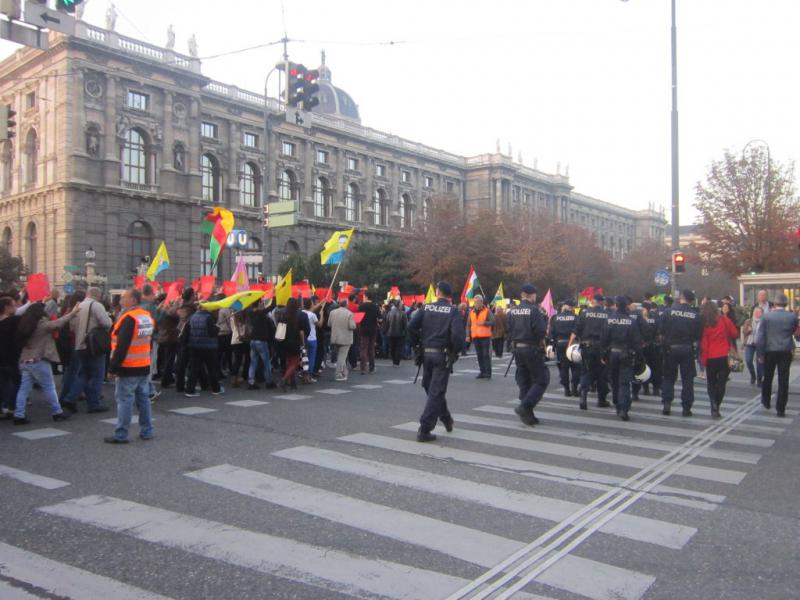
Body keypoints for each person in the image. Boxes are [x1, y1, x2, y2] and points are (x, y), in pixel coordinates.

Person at [408, 281, 465, 442]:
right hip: (443, 355)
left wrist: (417, 344)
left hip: (426, 354)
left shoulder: (426, 307)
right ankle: (424, 428)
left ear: (438, 292)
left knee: (431, 388)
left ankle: (446, 418)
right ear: (449, 295)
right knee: (436, 391)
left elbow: (411, 327)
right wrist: (455, 350)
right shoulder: (453, 311)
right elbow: (458, 336)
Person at [13, 302, 79, 425]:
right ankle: (57, 412)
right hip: (39, 360)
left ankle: (19, 414)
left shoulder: (25, 325)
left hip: (25, 360)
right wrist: (73, 313)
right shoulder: (41, 325)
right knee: (49, 387)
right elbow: (59, 323)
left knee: (23, 389)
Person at [103, 288, 155, 444]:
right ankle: (147, 431)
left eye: (124, 298)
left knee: (125, 400)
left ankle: (121, 434)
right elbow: (148, 340)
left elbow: (122, 346)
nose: (120, 301)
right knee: (143, 400)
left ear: (133, 300)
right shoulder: (146, 316)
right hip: (143, 364)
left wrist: (112, 368)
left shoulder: (129, 318)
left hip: (128, 366)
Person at [60, 286, 112, 414]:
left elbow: (71, 326)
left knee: (84, 374)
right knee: (97, 375)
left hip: (79, 344)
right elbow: (107, 323)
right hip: (93, 345)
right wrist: (109, 318)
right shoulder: (96, 305)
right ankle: (94, 403)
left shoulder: (78, 306)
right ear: (98, 296)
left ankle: (70, 398)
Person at [506, 284, 549, 425]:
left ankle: (528, 415)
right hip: (532, 348)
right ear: (531, 295)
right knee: (541, 379)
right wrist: (541, 343)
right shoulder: (534, 310)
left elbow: (509, 330)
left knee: (524, 381)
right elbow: (541, 331)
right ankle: (525, 407)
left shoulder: (513, 311)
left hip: (517, 349)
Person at [660, 289, 703, 416]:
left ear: (681, 298)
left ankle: (667, 404)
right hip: (687, 348)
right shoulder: (695, 315)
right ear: (691, 300)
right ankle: (686, 407)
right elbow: (698, 335)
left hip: (671, 348)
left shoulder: (668, 312)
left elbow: (661, 330)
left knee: (668, 377)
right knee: (687, 380)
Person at [756, 293, 798, 417]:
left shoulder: (767, 317)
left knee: (768, 377)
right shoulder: (792, 317)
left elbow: (760, 337)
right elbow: (794, 330)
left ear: (774, 303)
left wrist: (760, 353)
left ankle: (766, 400)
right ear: (785, 304)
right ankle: (781, 408)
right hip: (785, 350)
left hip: (770, 350)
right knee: (783, 380)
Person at [601, 296, 641, 421]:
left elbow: (604, 339)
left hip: (612, 353)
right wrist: (639, 358)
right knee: (624, 382)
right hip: (626, 354)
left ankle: (617, 404)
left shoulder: (609, 320)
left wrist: (603, 355)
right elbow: (637, 341)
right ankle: (624, 408)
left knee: (614, 381)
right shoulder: (631, 321)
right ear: (626, 306)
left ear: (616, 306)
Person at [567, 293, 609, 410]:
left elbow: (575, 331)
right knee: (602, 375)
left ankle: (583, 399)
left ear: (592, 302)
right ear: (601, 302)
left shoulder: (584, 314)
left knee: (585, 372)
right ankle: (601, 400)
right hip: (601, 348)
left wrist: (569, 346)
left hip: (587, 347)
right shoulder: (607, 315)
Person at [699, 301, 739, 418]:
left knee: (711, 383)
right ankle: (717, 404)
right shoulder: (724, 320)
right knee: (721, 383)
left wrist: (704, 360)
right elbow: (735, 333)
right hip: (725, 355)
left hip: (711, 357)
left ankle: (713, 405)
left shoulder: (705, 324)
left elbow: (704, 344)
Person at [184, 302, 223, 397]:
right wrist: (217, 329)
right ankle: (216, 389)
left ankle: (190, 390)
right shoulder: (208, 318)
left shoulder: (192, 317)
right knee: (211, 368)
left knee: (193, 369)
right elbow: (211, 333)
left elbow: (187, 331)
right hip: (208, 347)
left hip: (194, 346)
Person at [275, 297, 310, 391]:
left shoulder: (282, 313)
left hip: (283, 341)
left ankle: (292, 383)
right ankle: (283, 380)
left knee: (289, 362)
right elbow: (306, 330)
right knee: (294, 363)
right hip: (295, 341)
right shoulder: (302, 315)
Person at [549, 299, 579, 397]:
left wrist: (553, 346)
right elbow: (578, 332)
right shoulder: (576, 317)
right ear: (572, 307)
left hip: (560, 344)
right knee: (575, 367)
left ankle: (566, 389)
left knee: (564, 368)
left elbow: (551, 333)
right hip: (572, 344)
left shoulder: (555, 317)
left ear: (564, 306)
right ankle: (574, 388)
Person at [246, 299, 275, 390]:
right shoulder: (261, 313)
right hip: (261, 341)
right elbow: (272, 306)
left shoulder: (250, 313)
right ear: (258, 303)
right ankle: (269, 382)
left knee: (253, 362)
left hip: (252, 340)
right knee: (266, 362)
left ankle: (251, 382)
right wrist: (274, 294)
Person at [0, 296, 21, 419]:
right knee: (16, 382)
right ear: (7, 307)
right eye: (13, 305)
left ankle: (2, 408)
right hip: (11, 357)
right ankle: (11, 407)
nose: (16, 307)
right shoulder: (13, 321)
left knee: (2, 384)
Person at [637, 302, 662, 397]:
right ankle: (654, 388)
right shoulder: (655, 317)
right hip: (654, 346)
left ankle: (647, 388)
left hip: (646, 346)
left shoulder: (641, 319)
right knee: (655, 368)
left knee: (645, 368)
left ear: (645, 309)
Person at [466, 295, 494, 379]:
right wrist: (467, 335)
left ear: (482, 302)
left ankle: (488, 372)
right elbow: (468, 325)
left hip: (485, 337)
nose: (476, 304)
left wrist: (485, 323)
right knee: (479, 355)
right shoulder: (471, 312)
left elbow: (493, 321)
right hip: (475, 337)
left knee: (486, 355)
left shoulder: (487, 311)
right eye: (475, 302)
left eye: (478, 302)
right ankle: (482, 372)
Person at [329, 300, 356, 381]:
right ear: (346, 305)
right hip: (345, 338)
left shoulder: (332, 312)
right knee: (342, 357)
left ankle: (344, 372)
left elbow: (329, 324)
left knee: (340, 356)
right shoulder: (349, 313)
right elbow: (352, 326)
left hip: (335, 337)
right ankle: (338, 374)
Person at [357, 292, 380, 374]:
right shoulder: (375, 307)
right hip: (373, 329)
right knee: (371, 348)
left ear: (366, 297)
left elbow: (358, 318)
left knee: (363, 348)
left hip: (363, 328)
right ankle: (372, 367)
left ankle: (363, 368)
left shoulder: (361, 306)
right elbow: (380, 318)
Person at [742, 306, 764, 386]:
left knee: (759, 362)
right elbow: (744, 332)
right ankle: (753, 375)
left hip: (760, 344)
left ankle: (759, 379)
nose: (756, 313)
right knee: (748, 360)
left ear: (762, 313)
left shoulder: (764, 321)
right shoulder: (749, 321)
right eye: (755, 312)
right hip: (750, 343)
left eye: (758, 312)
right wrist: (747, 330)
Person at [229, 308, 251, 388]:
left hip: (235, 339)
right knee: (248, 358)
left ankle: (234, 379)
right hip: (244, 340)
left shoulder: (232, 317)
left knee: (237, 360)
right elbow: (247, 330)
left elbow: (232, 329)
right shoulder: (244, 318)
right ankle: (244, 376)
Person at [383, 300, 408, 366]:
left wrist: (385, 331)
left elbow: (387, 324)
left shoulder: (389, 313)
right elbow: (406, 325)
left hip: (390, 333)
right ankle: (397, 362)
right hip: (400, 333)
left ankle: (394, 361)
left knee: (392, 347)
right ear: (399, 305)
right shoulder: (403, 313)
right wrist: (406, 332)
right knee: (398, 348)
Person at [302, 298, 320, 383]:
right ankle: (309, 375)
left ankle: (304, 375)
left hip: (303, 338)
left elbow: (313, 308)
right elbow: (319, 324)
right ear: (310, 305)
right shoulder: (313, 315)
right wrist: (322, 314)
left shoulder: (301, 313)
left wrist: (321, 302)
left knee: (304, 358)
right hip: (312, 338)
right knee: (311, 358)